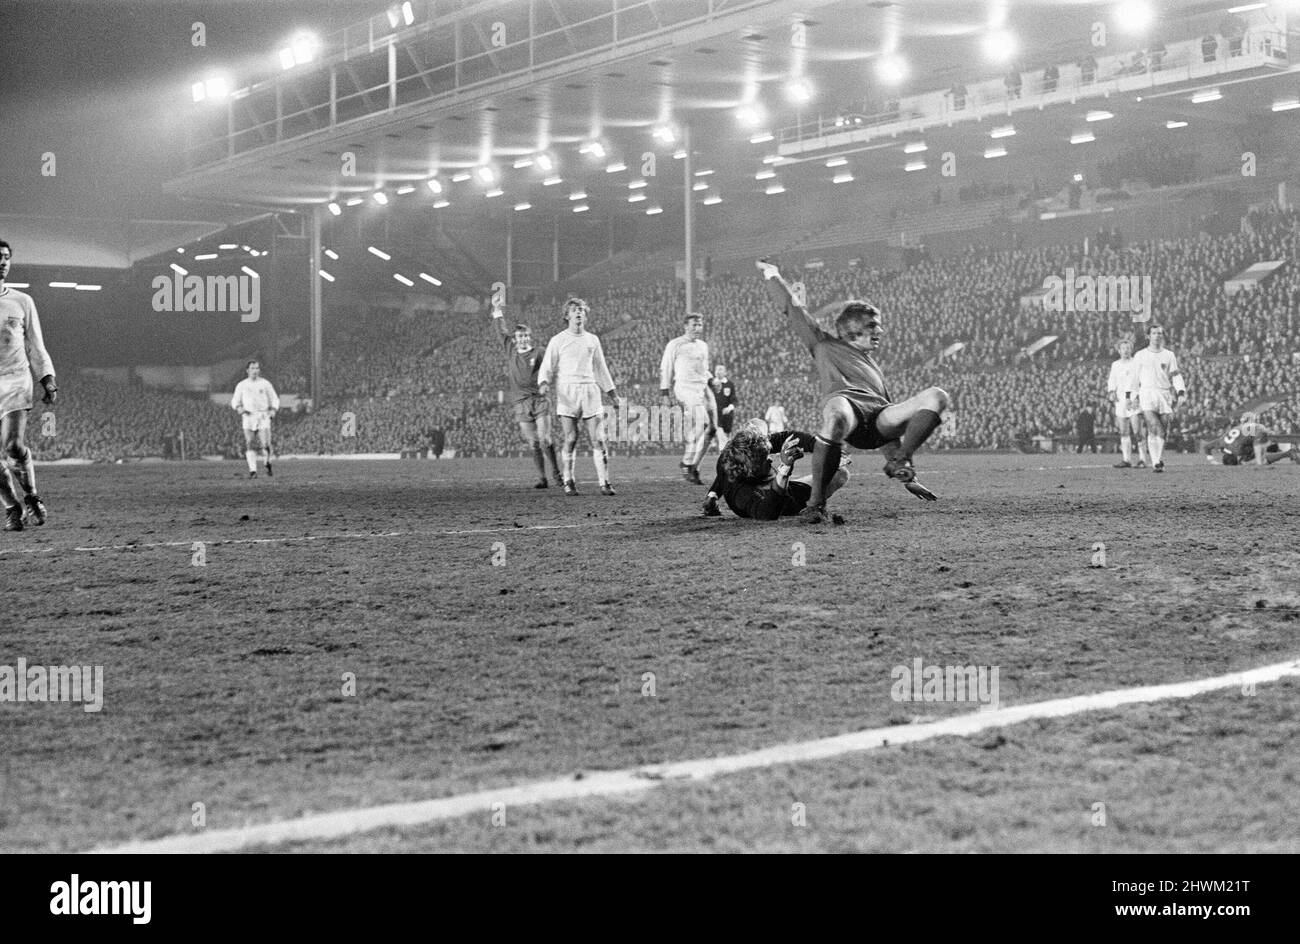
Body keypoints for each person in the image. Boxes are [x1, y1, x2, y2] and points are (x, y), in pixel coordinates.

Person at [757, 258, 942, 523]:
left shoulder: (874, 369)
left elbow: (888, 433)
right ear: (852, 327)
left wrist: (905, 473)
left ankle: (902, 462)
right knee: (838, 411)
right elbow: (793, 309)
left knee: (936, 396)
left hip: (877, 419)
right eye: (872, 325)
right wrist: (772, 274)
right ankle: (815, 505)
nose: (880, 330)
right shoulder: (823, 344)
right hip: (846, 412)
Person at [0, 239, 57, 532]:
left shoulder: (22, 301)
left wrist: (47, 380)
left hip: (15, 380)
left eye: (7, 257)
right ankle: (12, 507)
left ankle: (32, 495)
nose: (3, 262)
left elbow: (36, 345)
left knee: (12, 445)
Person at [537, 297, 621, 496]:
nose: (579, 312)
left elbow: (601, 369)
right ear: (567, 315)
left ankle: (605, 482)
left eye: (582, 309)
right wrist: (543, 383)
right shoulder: (558, 340)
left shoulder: (592, 339)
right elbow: (547, 366)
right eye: (575, 309)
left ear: (585, 315)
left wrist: (613, 395)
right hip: (567, 391)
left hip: (590, 390)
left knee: (598, 439)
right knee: (571, 438)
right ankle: (569, 480)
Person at [702, 422, 848, 520]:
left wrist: (822, 447)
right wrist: (784, 469)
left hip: (774, 485)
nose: (771, 459)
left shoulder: (744, 450)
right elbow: (768, 512)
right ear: (750, 469)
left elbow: (787, 437)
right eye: (766, 458)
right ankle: (813, 505)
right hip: (783, 501)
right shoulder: (741, 495)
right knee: (841, 474)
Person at [492, 304, 561, 488]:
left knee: (545, 439)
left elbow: (551, 368)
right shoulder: (511, 350)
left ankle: (556, 473)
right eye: (520, 336)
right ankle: (542, 478)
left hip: (539, 400)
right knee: (533, 443)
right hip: (521, 403)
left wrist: (546, 383)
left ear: (530, 337)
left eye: (526, 336)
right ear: (515, 339)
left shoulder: (539, 352)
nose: (523, 339)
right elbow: (501, 330)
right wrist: (497, 311)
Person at [659, 312, 717, 485]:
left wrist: (712, 378)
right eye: (694, 325)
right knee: (703, 422)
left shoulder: (703, 346)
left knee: (713, 428)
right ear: (686, 326)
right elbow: (666, 367)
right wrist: (664, 393)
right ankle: (686, 461)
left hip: (703, 387)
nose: (697, 328)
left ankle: (694, 467)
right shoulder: (675, 344)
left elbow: (703, 369)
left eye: (699, 325)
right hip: (685, 387)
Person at [1131, 324, 1188, 473]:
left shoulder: (1169, 355)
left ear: (1162, 336)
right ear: (1149, 336)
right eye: (1154, 333)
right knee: (1153, 427)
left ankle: (1158, 458)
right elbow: (1134, 378)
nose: (1157, 336)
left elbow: (1176, 375)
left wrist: (1181, 392)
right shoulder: (1140, 355)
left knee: (1163, 431)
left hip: (1164, 394)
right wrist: (1132, 396)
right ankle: (1156, 462)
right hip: (1147, 394)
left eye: (1160, 333)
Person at [230, 360, 280, 478]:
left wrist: (273, 409)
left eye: (257, 368)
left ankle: (267, 462)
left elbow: (274, 398)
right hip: (248, 416)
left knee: (265, 444)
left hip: (262, 416)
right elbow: (234, 400)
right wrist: (238, 408)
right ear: (247, 370)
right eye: (252, 368)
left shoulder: (265, 384)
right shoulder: (241, 385)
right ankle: (253, 471)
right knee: (250, 443)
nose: (255, 370)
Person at [1107, 337, 1149, 469]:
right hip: (1120, 401)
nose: (1125, 350)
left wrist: (1138, 397)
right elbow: (1112, 380)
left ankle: (1143, 459)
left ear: (1131, 349)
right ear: (1119, 350)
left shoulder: (1136, 363)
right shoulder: (1115, 365)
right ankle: (1126, 460)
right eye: (1123, 348)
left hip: (1134, 400)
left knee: (1137, 431)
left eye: (1128, 348)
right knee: (1124, 432)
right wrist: (1112, 391)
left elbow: (1142, 381)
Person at [1204, 412, 1299, 466]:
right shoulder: (1221, 441)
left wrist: (1244, 460)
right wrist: (1212, 461)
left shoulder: (1237, 451)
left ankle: (1289, 452)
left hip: (1257, 433)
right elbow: (1206, 447)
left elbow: (1250, 451)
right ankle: (1289, 448)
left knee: (1260, 461)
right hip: (1253, 428)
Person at [712, 364, 738, 451]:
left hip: (727, 415)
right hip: (716, 415)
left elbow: (734, 400)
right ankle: (723, 452)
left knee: (727, 435)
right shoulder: (711, 384)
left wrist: (729, 408)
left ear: (725, 372)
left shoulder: (729, 384)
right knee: (720, 433)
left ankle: (728, 451)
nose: (719, 371)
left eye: (721, 369)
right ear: (715, 372)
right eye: (717, 369)